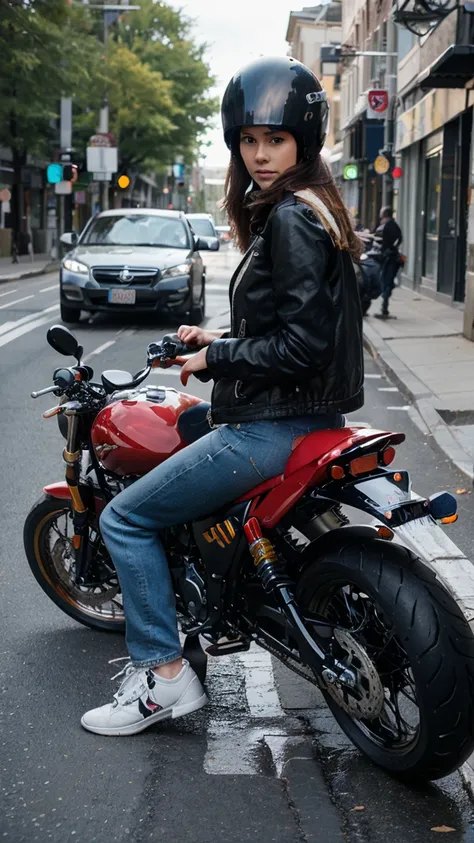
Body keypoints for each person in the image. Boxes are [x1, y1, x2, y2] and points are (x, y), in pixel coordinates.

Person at [81, 55, 364, 737]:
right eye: (248, 140)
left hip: (271, 427)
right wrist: (217, 335)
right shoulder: (316, 206)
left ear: (303, 140)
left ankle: (164, 676)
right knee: (194, 426)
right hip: (310, 415)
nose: (260, 155)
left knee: (123, 518)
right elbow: (302, 324)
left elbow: (302, 347)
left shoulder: (290, 218)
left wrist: (219, 354)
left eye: (276, 140)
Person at [374, 207, 403, 319]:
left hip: (387, 258)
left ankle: (384, 307)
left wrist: (386, 249)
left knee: (385, 280)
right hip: (392, 257)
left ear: (384, 215)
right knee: (387, 280)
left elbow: (377, 240)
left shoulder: (385, 226)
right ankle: (384, 306)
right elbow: (400, 239)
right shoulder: (395, 225)